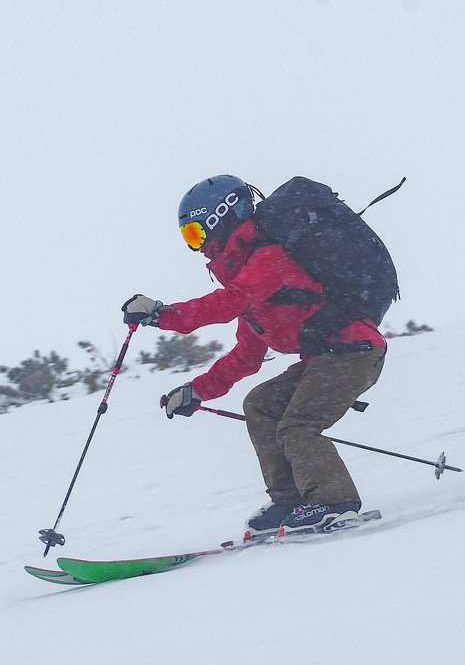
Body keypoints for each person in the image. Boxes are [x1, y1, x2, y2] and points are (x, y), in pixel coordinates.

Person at [121, 174, 387, 537]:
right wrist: (197, 390)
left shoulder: (268, 259)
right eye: (189, 238)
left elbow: (230, 303)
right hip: (326, 357)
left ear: (222, 219)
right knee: (260, 404)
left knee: (297, 425)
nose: (197, 247)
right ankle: (290, 500)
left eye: (196, 234)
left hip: (352, 352)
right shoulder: (252, 286)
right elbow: (245, 356)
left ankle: (334, 502)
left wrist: (162, 314)